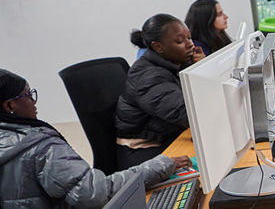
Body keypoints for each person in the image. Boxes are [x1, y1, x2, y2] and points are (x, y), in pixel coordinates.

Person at [0, 69, 191, 208]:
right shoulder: (42, 149)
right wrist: (161, 165)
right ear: (9, 106)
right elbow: (94, 194)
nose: (33, 102)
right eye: (28, 95)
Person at [116, 14, 202, 169]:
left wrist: (200, 67)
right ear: (158, 47)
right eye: (180, 41)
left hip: (167, 136)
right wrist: (204, 73)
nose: (190, 45)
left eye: (189, 38)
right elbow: (189, 114)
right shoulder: (148, 77)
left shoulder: (174, 64)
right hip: (145, 151)